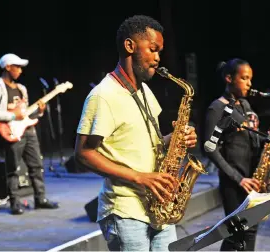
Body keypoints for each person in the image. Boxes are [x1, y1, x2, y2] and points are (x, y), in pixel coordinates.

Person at [74, 15, 198, 251]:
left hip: (158, 206)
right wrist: (140, 177)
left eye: (159, 51)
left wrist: (174, 140)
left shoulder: (145, 91)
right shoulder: (104, 95)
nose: (158, 58)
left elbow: (145, 142)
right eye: (153, 49)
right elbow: (83, 154)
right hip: (125, 210)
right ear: (129, 46)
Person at [0, 53, 59, 215]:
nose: (20, 71)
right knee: (13, 168)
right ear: (7, 67)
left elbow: (25, 115)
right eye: (17, 67)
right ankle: (15, 203)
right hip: (12, 132)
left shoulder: (21, 89)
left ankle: (40, 199)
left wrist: (39, 111)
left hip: (29, 131)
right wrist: (11, 116)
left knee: (36, 165)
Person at [203, 59, 262, 251]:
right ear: (229, 78)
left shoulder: (244, 105)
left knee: (251, 229)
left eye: (250, 79)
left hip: (251, 177)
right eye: (244, 78)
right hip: (233, 181)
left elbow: (250, 137)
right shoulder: (217, 108)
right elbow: (209, 148)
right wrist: (239, 179)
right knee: (235, 234)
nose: (249, 83)